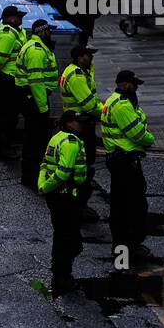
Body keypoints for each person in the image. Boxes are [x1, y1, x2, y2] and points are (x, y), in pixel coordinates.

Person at [101, 69, 156, 263]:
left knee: (121, 204)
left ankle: (122, 248)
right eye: (134, 84)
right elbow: (139, 133)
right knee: (133, 205)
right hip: (125, 161)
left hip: (118, 159)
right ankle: (127, 248)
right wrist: (150, 139)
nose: (136, 88)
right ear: (124, 84)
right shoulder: (123, 106)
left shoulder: (113, 101)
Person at [38, 111, 90, 294]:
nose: (82, 125)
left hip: (58, 197)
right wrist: (47, 188)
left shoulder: (57, 137)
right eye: (79, 122)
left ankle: (60, 273)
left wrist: (43, 186)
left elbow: (44, 166)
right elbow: (63, 172)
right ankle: (62, 276)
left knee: (62, 236)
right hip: (66, 197)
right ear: (69, 123)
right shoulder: (70, 143)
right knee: (68, 240)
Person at [15, 18, 58, 188]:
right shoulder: (36, 51)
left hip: (32, 98)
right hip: (34, 100)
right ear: (41, 31)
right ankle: (30, 176)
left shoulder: (38, 47)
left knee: (35, 138)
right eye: (49, 30)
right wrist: (43, 108)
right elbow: (36, 82)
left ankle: (32, 174)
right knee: (35, 139)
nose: (50, 33)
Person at [58, 44, 101, 218]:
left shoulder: (79, 72)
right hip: (79, 125)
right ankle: (78, 206)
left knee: (82, 165)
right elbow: (89, 104)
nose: (91, 58)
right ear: (79, 57)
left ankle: (77, 204)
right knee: (83, 167)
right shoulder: (75, 76)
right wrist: (107, 114)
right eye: (88, 55)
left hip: (80, 124)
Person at [0, 5, 26, 160]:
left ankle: (3, 146)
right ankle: (2, 149)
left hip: (9, 78)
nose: (21, 19)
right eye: (18, 17)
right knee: (7, 115)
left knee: (7, 114)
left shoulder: (14, 31)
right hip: (8, 79)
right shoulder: (8, 34)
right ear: (10, 18)